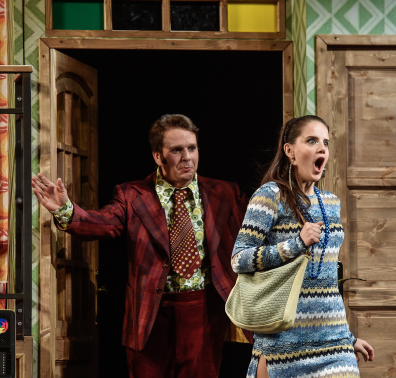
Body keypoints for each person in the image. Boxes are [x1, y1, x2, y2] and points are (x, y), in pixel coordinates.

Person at [32, 114, 250, 378]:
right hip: (151, 314)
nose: (187, 157)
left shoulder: (223, 192)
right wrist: (65, 210)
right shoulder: (132, 194)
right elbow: (102, 223)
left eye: (192, 148)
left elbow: (258, 228)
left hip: (203, 312)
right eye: (177, 150)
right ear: (158, 156)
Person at [231, 115, 375, 378]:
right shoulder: (270, 196)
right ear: (290, 151)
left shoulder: (331, 202)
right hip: (283, 345)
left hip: (334, 345)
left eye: (325, 143)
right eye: (311, 141)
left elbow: (327, 281)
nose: (322, 149)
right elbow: (239, 259)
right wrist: (296, 244)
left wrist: (347, 337)